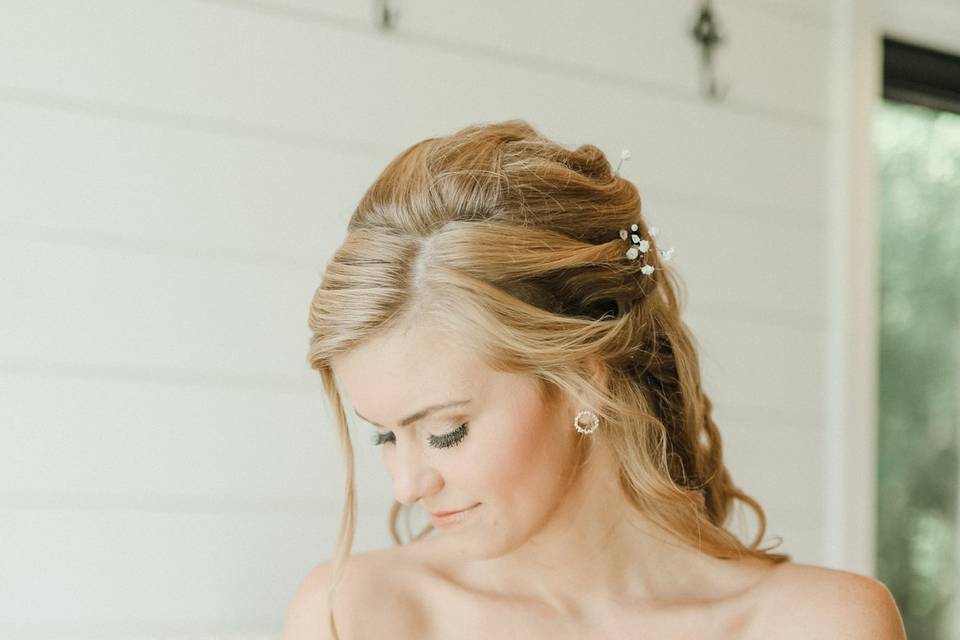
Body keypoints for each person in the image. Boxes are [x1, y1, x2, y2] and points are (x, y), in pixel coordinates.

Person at [282, 120, 906, 639]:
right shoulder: (356, 615)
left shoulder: (822, 625)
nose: (406, 486)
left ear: (584, 379)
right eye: (384, 436)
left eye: (446, 432)